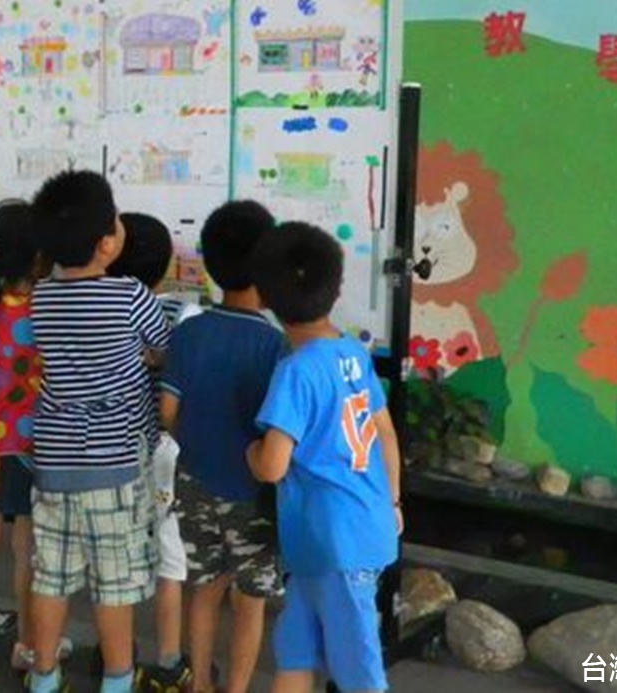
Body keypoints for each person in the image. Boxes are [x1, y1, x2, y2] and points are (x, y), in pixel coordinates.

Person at [26, 170, 171, 693]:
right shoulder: (130, 295)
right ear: (109, 242)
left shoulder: (42, 297)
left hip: (55, 461)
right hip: (113, 468)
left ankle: (44, 677)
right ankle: (115, 680)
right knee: (114, 587)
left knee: (51, 577)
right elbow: (163, 348)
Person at [246, 222, 403, 693]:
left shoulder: (296, 371)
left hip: (335, 542)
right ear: (336, 290)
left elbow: (272, 465)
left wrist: (251, 450)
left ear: (266, 299)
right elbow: (386, 434)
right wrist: (392, 501)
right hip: (345, 533)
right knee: (295, 649)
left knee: (359, 673)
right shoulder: (351, 351)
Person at [160, 201, 288, 693]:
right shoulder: (274, 346)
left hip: (192, 481)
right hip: (250, 490)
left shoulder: (190, 332)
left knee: (205, 589)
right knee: (250, 601)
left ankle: (200, 687)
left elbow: (168, 414)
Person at [0, 199, 70, 671]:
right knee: (29, 551)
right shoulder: (46, 305)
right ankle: (29, 645)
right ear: (37, 257)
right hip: (32, 446)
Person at [106, 212, 192, 693]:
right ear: (161, 269)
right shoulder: (174, 317)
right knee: (168, 561)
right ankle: (169, 662)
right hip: (160, 450)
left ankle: (116, 652)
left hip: (113, 450)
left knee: (118, 557)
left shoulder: (98, 310)